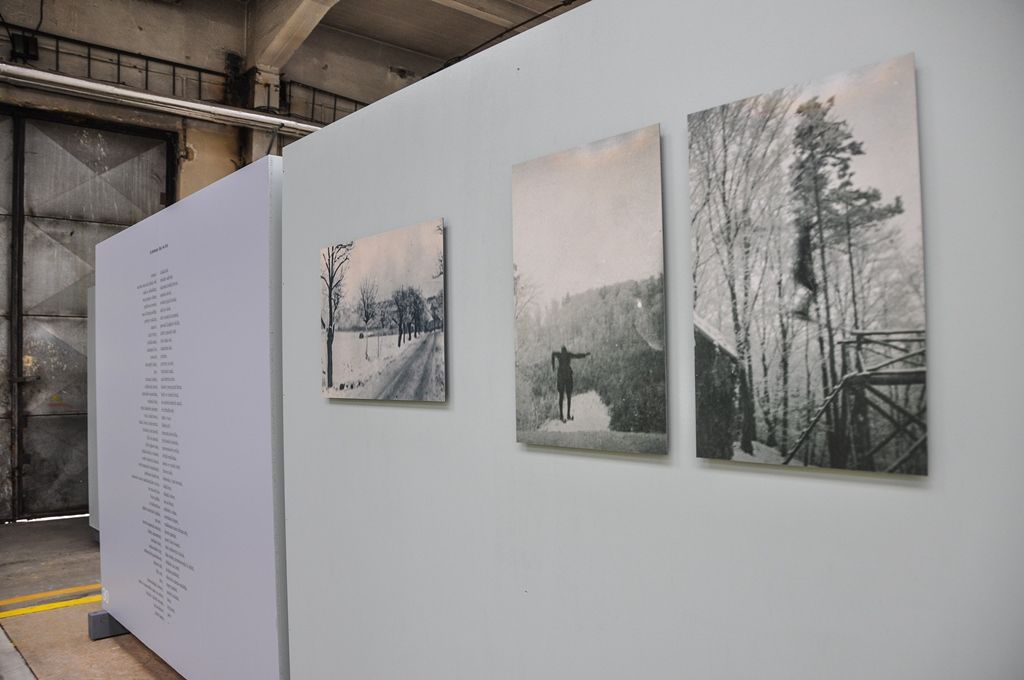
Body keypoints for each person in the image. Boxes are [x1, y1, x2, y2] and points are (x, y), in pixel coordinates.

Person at [551, 346, 590, 423]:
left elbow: (552, 354)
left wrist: (553, 366)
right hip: (568, 376)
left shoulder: (559, 354)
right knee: (568, 396)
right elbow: (577, 356)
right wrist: (585, 355)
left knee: (561, 396)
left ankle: (562, 416)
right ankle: (567, 415)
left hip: (561, 376)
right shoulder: (568, 354)